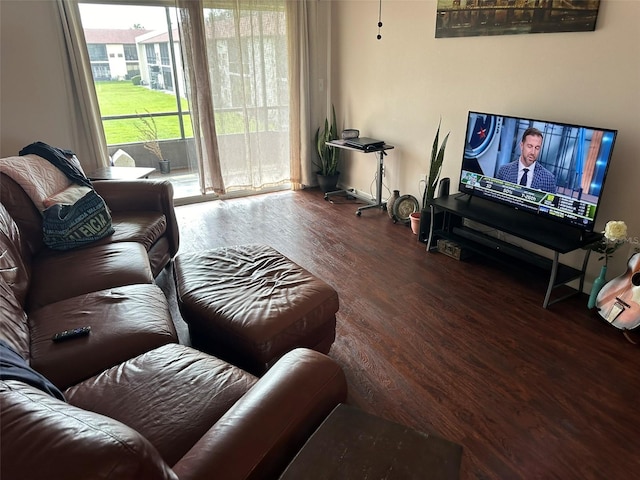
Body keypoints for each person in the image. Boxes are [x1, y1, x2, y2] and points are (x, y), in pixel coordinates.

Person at [496, 127, 556, 194]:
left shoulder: (548, 179)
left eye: (537, 148)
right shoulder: (504, 171)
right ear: (522, 146)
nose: (533, 152)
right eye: (530, 146)